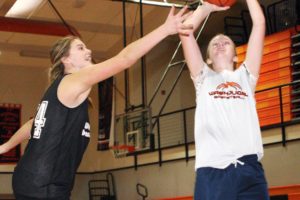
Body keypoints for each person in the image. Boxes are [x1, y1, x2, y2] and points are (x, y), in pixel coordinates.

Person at [0, 6, 192, 200]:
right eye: (80, 47)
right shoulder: (73, 81)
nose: (89, 50)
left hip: (35, 180)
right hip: (43, 186)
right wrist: (165, 29)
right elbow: (125, 59)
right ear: (66, 60)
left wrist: (5, 147)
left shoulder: (63, 92)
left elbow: (33, 125)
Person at [180, 1, 269, 200]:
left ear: (236, 57)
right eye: (215, 43)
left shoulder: (246, 77)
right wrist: (206, 8)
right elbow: (185, 31)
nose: (220, 44)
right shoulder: (203, 78)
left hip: (249, 169)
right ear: (208, 59)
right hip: (212, 171)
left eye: (226, 42)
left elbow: (259, 23)